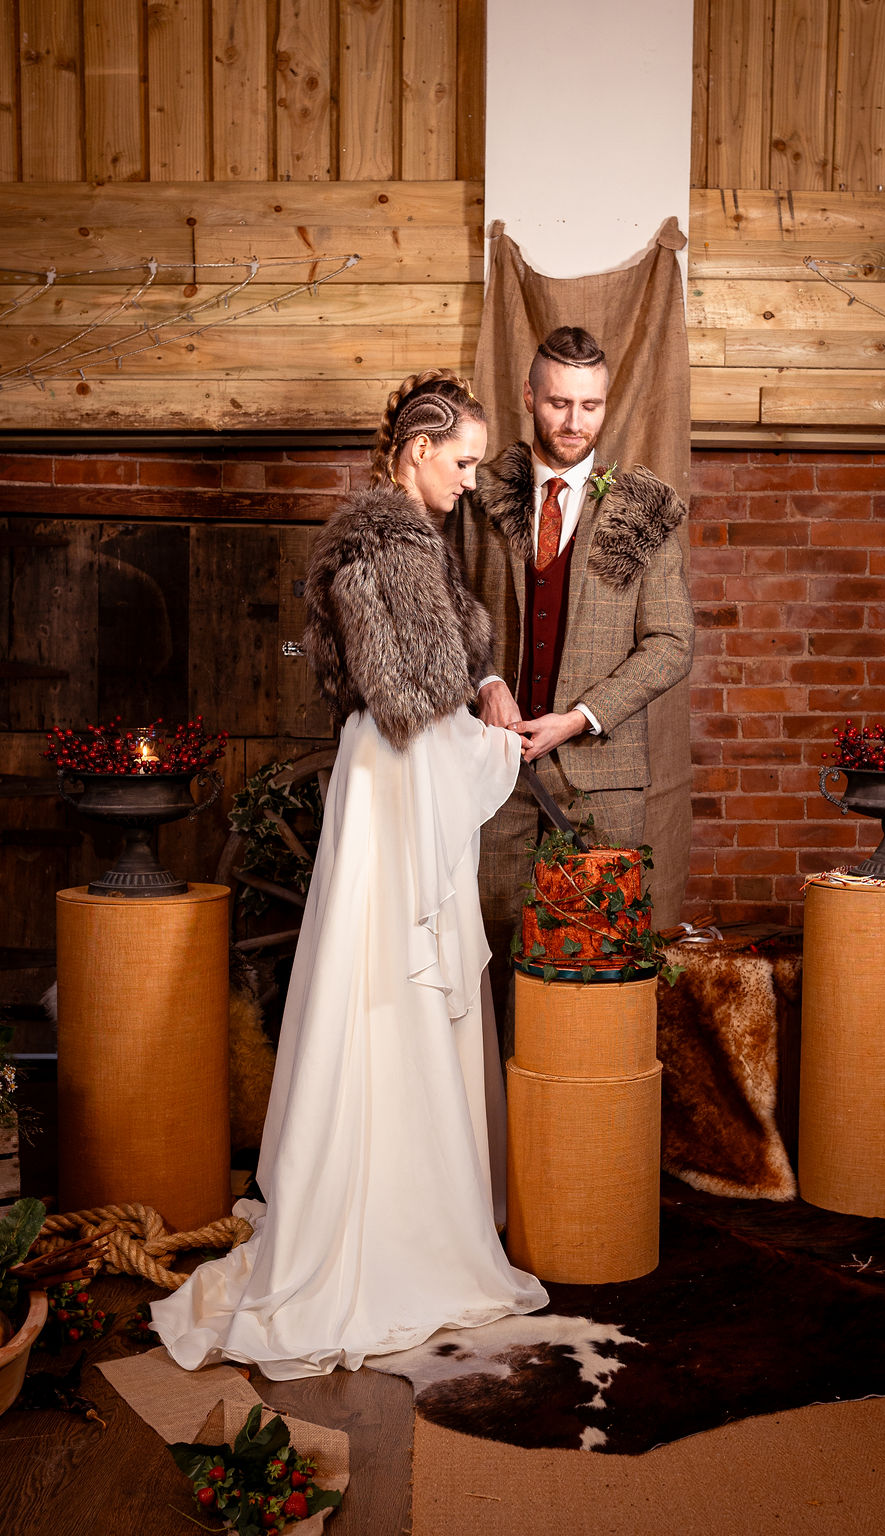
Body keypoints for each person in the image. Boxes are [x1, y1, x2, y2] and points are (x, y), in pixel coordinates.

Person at [150, 371, 548, 1380]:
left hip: (394, 781)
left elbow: (455, 670)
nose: (468, 481)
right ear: (416, 452)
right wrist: (508, 747)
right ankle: (388, 1230)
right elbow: (413, 707)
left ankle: (410, 1197)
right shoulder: (383, 550)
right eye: (460, 461)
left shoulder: (409, 545)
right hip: (399, 778)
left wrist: (491, 683)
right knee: (387, 995)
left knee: (389, 989)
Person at [450, 327, 694, 1035]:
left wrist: (581, 715)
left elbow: (672, 642)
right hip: (494, 773)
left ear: (606, 403)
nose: (574, 422)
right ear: (530, 397)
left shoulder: (645, 508)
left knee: (595, 972)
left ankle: (586, 1133)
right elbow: (451, 603)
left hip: (602, 781)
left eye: (590, 406)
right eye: (558, 403)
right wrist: (488, 677)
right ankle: (496, 1136)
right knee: (488, 961)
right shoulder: (479, 492)